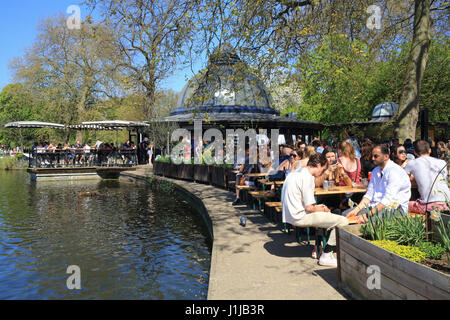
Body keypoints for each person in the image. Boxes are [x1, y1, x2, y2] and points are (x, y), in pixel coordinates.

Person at [281, 153, 350, 267]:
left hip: (289, 214)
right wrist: (323, 209)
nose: (322, 173)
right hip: (299, 217)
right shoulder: (308, 177)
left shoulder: (296, 173)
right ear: (318, 165)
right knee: (343, 221)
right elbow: (310, 207)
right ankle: (327, 255)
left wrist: (320, 208)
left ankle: (319, 247)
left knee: (328, 215)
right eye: (323, 169)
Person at [343, 145, 412, 223]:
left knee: (368, 221)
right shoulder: (375, 171)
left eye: (376, 156)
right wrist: (356, 210)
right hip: (375, 207)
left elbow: (388, 200)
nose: (372, 158)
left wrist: (367, 215)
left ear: (386, 156)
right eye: (372, 156)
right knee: (344, 215)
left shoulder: (395, 171)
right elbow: (369, 195)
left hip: (394, 209)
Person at [405, 140, 449, 215]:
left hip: (430, 205)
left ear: (415, 152)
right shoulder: (442, 162)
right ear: (429, 151)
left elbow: (404, 181)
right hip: (447, 202)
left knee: (404, 205)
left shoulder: (411, 164)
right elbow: (443, 180)